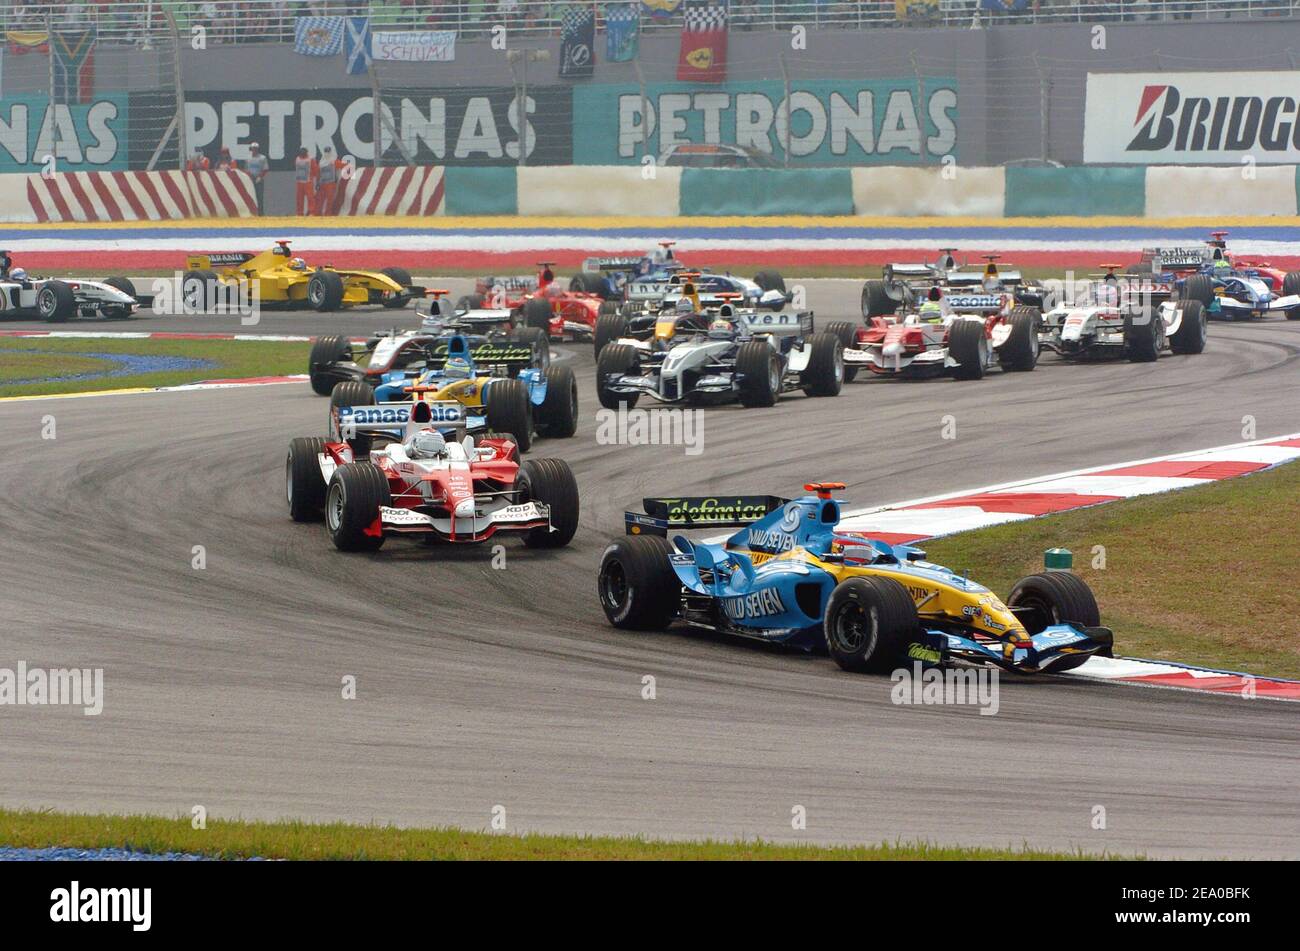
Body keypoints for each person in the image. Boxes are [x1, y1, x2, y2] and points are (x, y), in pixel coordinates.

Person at [314, 145, 342, 215]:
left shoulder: (321, 162)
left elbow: (318, 174)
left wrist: (317, 183)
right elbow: (341, 165)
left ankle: (317, 213)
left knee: (320, 200)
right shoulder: (333, 161)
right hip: (330, 183)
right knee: (329, 200)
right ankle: (327, 213)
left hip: (322, 183)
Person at [245, 141, 270, 215]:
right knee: (250, 196)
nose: (254, 150)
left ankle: (260, 213)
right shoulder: (248, 158)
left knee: (259, 197)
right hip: (250, 179)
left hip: (259, 179)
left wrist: (260, 177)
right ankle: (251, 213)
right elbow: (246, 169)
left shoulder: (262, 158)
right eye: (253, 148)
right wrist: (248, 176)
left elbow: (265, 169)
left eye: (256, 148)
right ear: (251, 149)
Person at [293, 147, 316, 217]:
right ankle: (299, 212)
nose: (302, 154)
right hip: (299, 182)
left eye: (304, 153)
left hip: (308, 182)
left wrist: (312, 176)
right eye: (301, 153)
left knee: (310, 198)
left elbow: (315, 170)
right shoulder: (297, 159)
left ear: (306, 153)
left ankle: (311, 212)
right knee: (299, 198)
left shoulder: (311, 159)